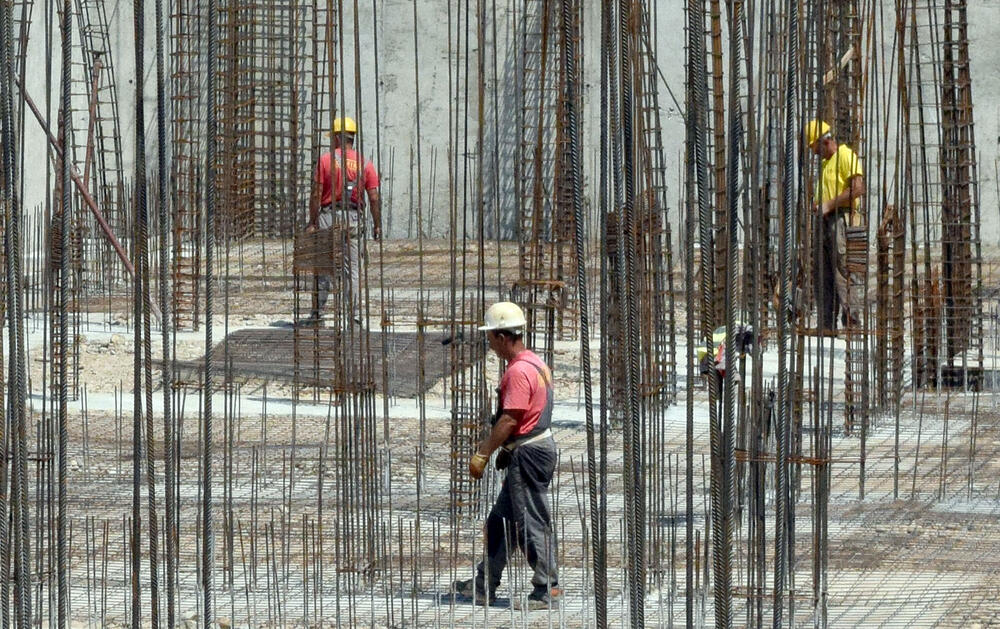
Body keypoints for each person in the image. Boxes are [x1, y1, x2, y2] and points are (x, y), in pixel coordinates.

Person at [454, 302, 561, 610]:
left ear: (502, 337)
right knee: (501, 521)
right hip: (527, 448)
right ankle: (483, 584)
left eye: (490, 337)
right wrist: (507, 448)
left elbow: (510, 419)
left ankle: (546, 589)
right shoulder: (536, 363)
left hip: (529, 453)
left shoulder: (517, 371)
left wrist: (484, 452)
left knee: (530, 522)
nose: (489, 343)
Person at [301, 116, 381, 324]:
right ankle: (353, 315)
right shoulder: (365, 163)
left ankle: (317, 314)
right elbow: (374, 198)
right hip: (354, 218)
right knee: (352, 269)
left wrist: (312, 221)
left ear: (337, 138)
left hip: (328, 216)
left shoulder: (326, 160)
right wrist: (377, 225)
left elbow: (316, 195)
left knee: (324, 267)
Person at [806, 119, 865, 330]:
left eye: (816, 149)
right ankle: (826, 325)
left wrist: (828, 205)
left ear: (825, 142)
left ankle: (852, 323)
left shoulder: (845, 155)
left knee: (843, 270)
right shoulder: (825, 164)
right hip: (825, 221)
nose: (815, 154)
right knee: (823, 274)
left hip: (841, 220)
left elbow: (858, 189)